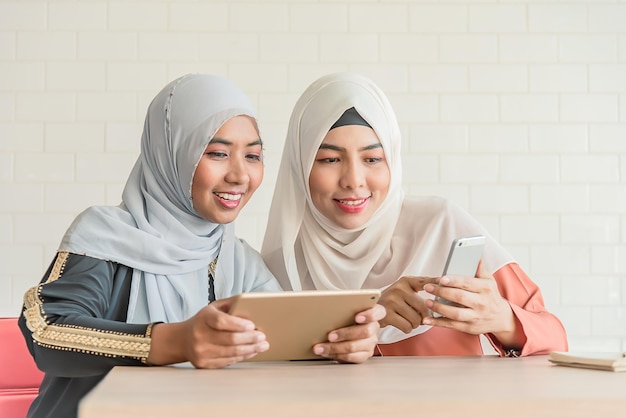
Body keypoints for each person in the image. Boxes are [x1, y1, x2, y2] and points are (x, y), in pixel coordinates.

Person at [18, 74, 384, 418]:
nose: (240, 175)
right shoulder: (105, 235)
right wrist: (176, 341)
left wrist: (340, 344)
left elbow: (284, 351)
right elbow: (46, 332)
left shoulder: (240, 261)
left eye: (253, 156)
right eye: (217, 153)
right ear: (171, 153)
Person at [261, 72, 568, 358]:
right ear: (300, 168)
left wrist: (504, 319)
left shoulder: (441, 226)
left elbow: (555, 339)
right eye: (329, 159)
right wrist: (370, 314)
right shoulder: (280, 267)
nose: (353, 180)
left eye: (372, 158)